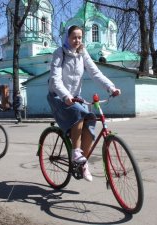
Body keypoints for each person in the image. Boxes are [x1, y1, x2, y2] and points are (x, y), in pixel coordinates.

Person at [47, 25, 121, 182]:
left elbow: (95, 73)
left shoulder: (82, 53)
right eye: (74, 37)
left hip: (75, 96)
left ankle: (83, 163)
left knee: (91, 119)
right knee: (79, 113)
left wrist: (110, 87)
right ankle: (75, 152)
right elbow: (55, 78)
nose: (77, 40)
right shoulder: (59, 53)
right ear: (67, 37)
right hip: (58, 96)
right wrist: (65, 95)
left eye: (80, 37)